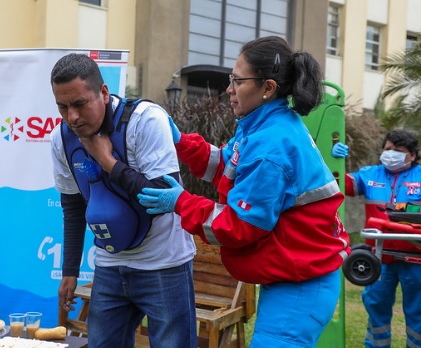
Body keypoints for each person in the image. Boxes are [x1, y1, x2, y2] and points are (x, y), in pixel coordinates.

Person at [137, 36, 351, 348]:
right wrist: (181, 142)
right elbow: (225, 166)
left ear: (267, 88)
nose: (229, 89)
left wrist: (181, 202)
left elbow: (241, 227)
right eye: (230, 79)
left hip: (303, 283)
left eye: (237, 81)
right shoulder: (262, 126)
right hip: (295, 274)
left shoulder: (271, 144)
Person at [49, 53, 197, 348]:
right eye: (62, 107)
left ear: (104, 93)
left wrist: (108, 162)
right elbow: (74, 207)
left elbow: (161, 198)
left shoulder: (145, 121)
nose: (72, 117)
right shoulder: (61, 139)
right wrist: (70, 271)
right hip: (110, 264)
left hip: (163, 264)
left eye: (79, 104)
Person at [332, 129, 421, 348]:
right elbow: (339, 185)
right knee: (376, 308)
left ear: (412, 155)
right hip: (378, 258)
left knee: (418, 313)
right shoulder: (369, 174)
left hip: (415, 259)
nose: (391, 154)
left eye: (398, 151)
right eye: (388, 149)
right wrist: (333, 158)